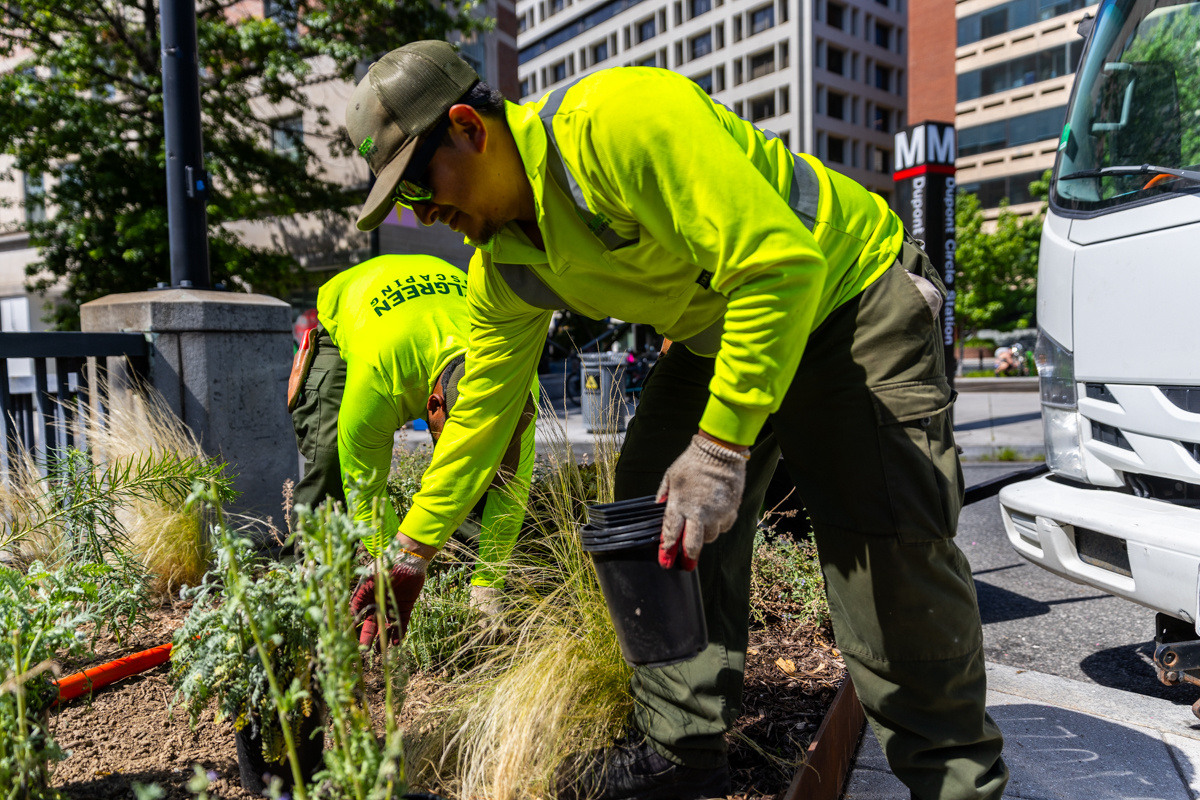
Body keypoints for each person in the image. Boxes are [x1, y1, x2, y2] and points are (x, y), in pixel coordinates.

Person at [344, 41, 1007, 800]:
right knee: (647, 509)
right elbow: (480, 418)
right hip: (722, 328)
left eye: (419, 188)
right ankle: (680, 746)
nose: (425, 215)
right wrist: (410, 551)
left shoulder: (619, 125)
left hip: (846, 298)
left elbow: (780, 266)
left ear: (467, 127)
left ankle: (956, 781)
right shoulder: (506, 267)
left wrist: (722, 449)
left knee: (884, 552)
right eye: (405, 207)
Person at [288, 253, 537, 641]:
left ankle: (456, 592)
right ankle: (300, 604)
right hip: (360, 307)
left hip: (436, 296)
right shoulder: (378, 381)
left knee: (484, 476)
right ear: (433, 407)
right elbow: (365, 488)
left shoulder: (518, 380)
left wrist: (489, 583)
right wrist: (389, 567)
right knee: (328, 459)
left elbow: (513, 486)